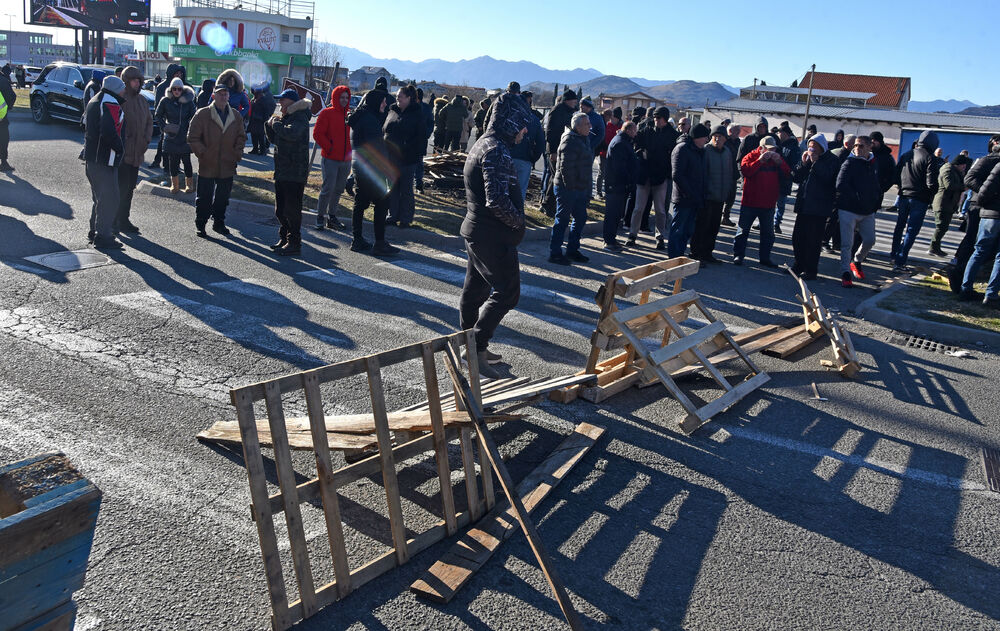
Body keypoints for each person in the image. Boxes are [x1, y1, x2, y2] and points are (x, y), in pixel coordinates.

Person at [460, 93, 531, 378]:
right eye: (522, 125)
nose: (524, 131)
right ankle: (475, 348)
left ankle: (469, 345)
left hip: (477, 231)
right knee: (507, 293)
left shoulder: (483, 143)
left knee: (475, 291)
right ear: (510, 122)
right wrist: (518, 223)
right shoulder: (496, 151)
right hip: (492, 237)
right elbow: (497, 201)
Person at [187, 83, 246, 237]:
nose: (223, 96)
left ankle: (219, 223)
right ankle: (201, 223)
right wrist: (203, 153)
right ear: (213, 95)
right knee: (204, 198)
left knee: (222, 198)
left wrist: (237, 153)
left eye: (226, 94)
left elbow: (241, 137)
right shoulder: (203, 114)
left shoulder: (236, 115)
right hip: (208, 163)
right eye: (220, 93)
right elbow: (192, 137)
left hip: (227, 164)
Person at [347, 90, 399, 255]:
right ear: (376, 102)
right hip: (370, 168)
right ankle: (379, 243)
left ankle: (357, 240)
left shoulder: (364, 116)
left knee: (360, 203)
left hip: (361, 166)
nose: (385, 104)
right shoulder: (370, 121)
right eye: (383, 101)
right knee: (383, 203)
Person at [264, 89, 312, 256]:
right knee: (281, 210)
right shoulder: (288, 117)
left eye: (283, 100)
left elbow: (290, 134)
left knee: (292, 210)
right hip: (283, 170)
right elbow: (276, 139)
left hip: (294, 173)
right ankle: (284, 238)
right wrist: (269, 124)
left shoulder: (300, 117)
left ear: (291, 102)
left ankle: (294, 242)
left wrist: (276, 124)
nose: (280, 103)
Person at [950, 136, 1000, 292]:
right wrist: (989, 193)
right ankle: (959, 275)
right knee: (974, 243)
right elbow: (969, 179)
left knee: (986, 248)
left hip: (989, 207)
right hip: (980, 206)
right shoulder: (987, 160)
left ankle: (967, 276)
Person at [83, 75, 128, 250]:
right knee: (110, 199)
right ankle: (103, 236)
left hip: (92, 158)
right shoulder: (110, 102)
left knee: (100, 198)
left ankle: (95, 231)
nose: (124, 90)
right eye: (122, 87)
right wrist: (120, 149)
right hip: (104, 159)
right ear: (116, 88)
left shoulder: (95, 100)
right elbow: (109, 131)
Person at [627, 106, 678, 249]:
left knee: (661, 210)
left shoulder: (673, 135)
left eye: (659, 118)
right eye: (655, 118)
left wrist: (667, 172)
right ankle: (632, 234)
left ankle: (660, 236)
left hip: (660, 177)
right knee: (638, 208)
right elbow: (636, 145)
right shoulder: (646, 131)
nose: (656, 120)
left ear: (665, 119)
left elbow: (674, 157)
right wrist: (641, 153)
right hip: (644, 176)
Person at [732, 135, 787, 266]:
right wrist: (760, 161)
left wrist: (780, 162)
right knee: (742, 231)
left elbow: (787, 173)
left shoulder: (776, 159)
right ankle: (738, 255)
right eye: (768, 149)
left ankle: (765, 258)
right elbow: (745, 171)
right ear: (761, 148)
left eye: (773, 149)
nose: (771, 152)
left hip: (768, 204)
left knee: (768, 234)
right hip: (750, 202)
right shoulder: (750, 156)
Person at [835, 136, 882, 287]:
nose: (857, 148)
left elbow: (876, 185)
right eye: (855, 145)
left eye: (861, 146)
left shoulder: (873, 163)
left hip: (867, 210)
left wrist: (876, 201)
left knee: (870, 240)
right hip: (848, 209)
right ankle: (845, 272)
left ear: (869, 147)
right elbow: (840, 184)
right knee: (846, 244)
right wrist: (856, 197)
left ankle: (857, 260)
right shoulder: (849, 162)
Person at [790, 134, 839, 280]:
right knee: (797, 238)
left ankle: (811, 270)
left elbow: (828, 178)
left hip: (819, 207)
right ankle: (798, 265)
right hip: (804, 205)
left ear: (821, 147)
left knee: (813, 241)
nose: (811, 149)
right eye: (810, 145)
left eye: (814, 146)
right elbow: (796, 177)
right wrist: (804, 164)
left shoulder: (832, 160)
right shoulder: (808, 159)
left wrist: (816, 163)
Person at [891, 130, 941, 272]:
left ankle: (894, 254)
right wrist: (933, 193)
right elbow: (931, 183)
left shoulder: (907, 154)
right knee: (912, 230)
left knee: (899, 226)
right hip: (920, 198)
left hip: (904, 195)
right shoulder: (930, 158)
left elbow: (895, 176)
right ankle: (901, 260)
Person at [549, 112, 593, 264]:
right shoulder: (570, 140)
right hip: (567, 188)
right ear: (578, 126)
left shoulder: (583, 138)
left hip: (579, 188)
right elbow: (566, 168)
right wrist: (572, 188)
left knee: (580, 218)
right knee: (562, 220)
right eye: (587, 124)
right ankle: (555, 253)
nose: (590, 127)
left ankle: (572, 250)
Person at [116, 66, 153, 234]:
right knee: (120, 189)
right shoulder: (120, 99)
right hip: (122, 154)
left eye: (139, 81)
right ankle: (114, 220)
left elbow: (149, 123)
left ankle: (124, 219)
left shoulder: (142, 100)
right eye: (134, 80)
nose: (137, 84)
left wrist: (145, 141)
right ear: (126, 81)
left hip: (137, 153)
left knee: (129, 188)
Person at [959, 159, 1000, 307]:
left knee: (978, 251)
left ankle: (965, 288)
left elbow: (984, 191)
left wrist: (985, 205)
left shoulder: (997, 166)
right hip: (992, 213)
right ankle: (991, 295)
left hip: (990, 214)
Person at [692, 125, 736, 263]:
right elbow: (700, 173)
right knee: (701, 226)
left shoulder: (727, 152)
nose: (717, 138)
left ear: (725, 139)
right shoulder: (705, 151)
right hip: (707, 196)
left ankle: (708, 253)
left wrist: (728, 190)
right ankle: (696, 253)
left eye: (721, 136)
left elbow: (729, 173)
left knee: (714, 227)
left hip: (720, 196)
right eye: (715, 136)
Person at [384, 85, 424, 228]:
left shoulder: (417, 113)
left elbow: (420, 137)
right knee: (392, 187)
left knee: (406, 189)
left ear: (409, 98)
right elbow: (386, 129)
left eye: (400, 96)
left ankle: (406, 218)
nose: (397, 99)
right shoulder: (393, 110)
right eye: (397, 96)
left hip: (408, 158)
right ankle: (392, 215)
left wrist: (410, 150)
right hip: (390, 156)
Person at [312, 85, 352, 231]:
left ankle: (332, 217)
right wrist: (329, 148)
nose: (344, 100)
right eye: (342, 97)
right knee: (327, 189)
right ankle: (320, 216)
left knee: (339, 189)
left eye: (347, 97)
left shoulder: (348, 114)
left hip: (345, 160)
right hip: (330, 159)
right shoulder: (327, 113)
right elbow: (317, 134)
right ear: (335, 97)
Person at [668, 123, 710, 258]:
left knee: (688, 230)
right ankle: (674, 259)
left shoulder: (699, 150)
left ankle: (679, 257)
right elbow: (677, 175)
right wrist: (689, 194)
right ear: (697, 137)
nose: (706, 140)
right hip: (684, 198)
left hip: (695, 198)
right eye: (705, 137)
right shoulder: (682, 149)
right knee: (678, 230)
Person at [154, 77, 197, 194]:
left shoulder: (188, 101)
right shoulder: (165, 101)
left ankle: (189, 185)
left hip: (185, 136)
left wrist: (190, 129)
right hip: (171, 135)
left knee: (187, 161)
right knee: (173, 162)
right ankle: (175, 185)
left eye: (179, 89)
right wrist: (164, 127)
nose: (177, 91)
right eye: (174, 89)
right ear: (171, 89)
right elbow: (158, 115)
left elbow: (195, 116)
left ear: (182, 89)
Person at [603, 121, 639, 251]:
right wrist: (629, 180)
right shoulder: (620, 143)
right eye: (635, 131)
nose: (636, 133)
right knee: (612, 214)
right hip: (616, 185)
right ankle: (608, 241)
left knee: (617, 214)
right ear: (628, 130)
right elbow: (620, 168)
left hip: (620, 185)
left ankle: (612, 238)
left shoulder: (624, 141)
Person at [541, 89, 578, 215]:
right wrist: (552, 151)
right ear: (568, 100)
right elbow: (550, 133)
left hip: (562, 149)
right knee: (555, 177)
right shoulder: (557, 111)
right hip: (554, 150)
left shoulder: (568, 112)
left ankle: (551, 204)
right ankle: (547, 204)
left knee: (557, 177)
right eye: (574, 101)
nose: (575, 103)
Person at [928, 155, 971, 256]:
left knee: (943, 227)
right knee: (941, 226)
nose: (964, 167)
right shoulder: (947, 169)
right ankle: (933, 247)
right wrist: (963, 188)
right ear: (958, 164)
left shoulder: (956, 171)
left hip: (949, 203)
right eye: (963, 165)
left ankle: (935, 247)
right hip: (942, 202)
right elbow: (949, 185)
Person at [508, 91, 544, 204]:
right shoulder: (534, 120)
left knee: (504, 188)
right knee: (520, 190)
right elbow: (540, 143)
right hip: (525, 159)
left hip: (507, 157)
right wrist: (532, 158)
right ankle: (517, 216)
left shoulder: (509, 116)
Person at [151, 63, 188, 170]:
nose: (179, 76)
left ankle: (172, 166)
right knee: (164, 143)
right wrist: (163, 124)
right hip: (167, 119)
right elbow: (158, 105)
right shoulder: (162, 86)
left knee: (179, 145)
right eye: (176, 73)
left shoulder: (184, 86)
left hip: (180, 121)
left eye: (180, 74)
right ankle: (164, 164)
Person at [773, 123, 800, 234]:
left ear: (785, 134)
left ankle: (776, 223)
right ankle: (764, 222)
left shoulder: (793, 147)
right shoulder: (777, 144)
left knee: (780, 203)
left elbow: (794, 164)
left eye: (780, 132)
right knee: (769, 201)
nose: (779, 134)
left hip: (784, 179)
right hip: (773, 177)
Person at [596, 108, 619, 199]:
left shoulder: (619, 127)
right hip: (603, 153)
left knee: (609, 175)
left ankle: (607, 191)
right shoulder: (606, 125)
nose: (611, 119)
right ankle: (598, 192)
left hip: (612, 155)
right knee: (601, 173)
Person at [414, 87, 434, 193]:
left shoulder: (425, 108)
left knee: (419, 163)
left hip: (421, 140)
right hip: (408, 139)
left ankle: (418, 185)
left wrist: (426, 133)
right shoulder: (409, 106)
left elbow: (431, 123)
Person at [722, 123, 742, 226]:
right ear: (730, 131)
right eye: (736, 131)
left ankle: (726, 217)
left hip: (734, 174)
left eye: (739, 131)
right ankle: (721, 216)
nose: (738, 133)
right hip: (724, 174)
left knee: (731, 198)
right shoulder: (725, 141)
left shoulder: (739, 142)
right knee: (722, 196)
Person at [249, 87, 276, 155]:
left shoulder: (264, 100)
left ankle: (262, 150)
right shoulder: (253, 100)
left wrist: (265, 121)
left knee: (261, 136)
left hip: (261, 121)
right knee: (254, 135)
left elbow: (266, 112)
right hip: (254, 120)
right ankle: (255, 149)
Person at [0, 64, 15, 172]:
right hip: (1, 117)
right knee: (3, 139)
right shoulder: (3, 80)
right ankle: (3, 162)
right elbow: (11, 96)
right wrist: (7, 107)